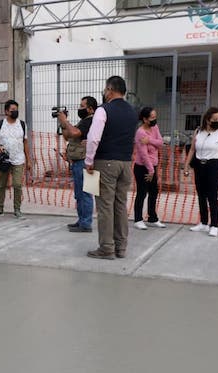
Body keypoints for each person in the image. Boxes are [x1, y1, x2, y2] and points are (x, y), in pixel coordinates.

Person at [84, 76, 136, 259]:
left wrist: (89, 160)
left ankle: (106, 247)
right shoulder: (132, 111)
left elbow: (93, 137)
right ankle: (121, 247)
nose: (104, 93)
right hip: (125, 163)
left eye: (106, 90)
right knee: (120, 205)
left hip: (105, 162)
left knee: (105, 205)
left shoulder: (103, 110)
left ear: (110, 90)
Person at [182, 107, 218, 238]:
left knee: (212, 196)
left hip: (213, 165)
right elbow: (191, 150)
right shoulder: (198, 131)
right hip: (199, 165)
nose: (217, 121)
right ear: (207, 120)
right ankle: (203, 222)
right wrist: (186, 166)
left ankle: (214, 225)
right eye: (215, 119)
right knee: (201, 194)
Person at [57, 96, 97, 232]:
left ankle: (86, 224)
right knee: (79, 194)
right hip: (79, 162)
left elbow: (74, 132)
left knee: (86, 194)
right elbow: (68, 136)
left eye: (82, 106)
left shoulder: (91, 121)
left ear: (90, 109)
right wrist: (63, 124)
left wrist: (65, 121)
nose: (79, 108)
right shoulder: (84, 121)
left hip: (86, 163)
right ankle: (82, 220)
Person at [0, 99, 31, 218]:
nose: (15, 112)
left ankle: (17, 209)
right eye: (12, 110)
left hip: (18, 159)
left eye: (16, 109)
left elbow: (25, 143)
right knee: (1, 185)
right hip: (4, 160)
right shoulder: (0, 124)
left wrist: (29, 160)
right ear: (6, 111)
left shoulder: (22, 124)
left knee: (17, 184)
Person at [132, 106, 166, 231]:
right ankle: (138, 219)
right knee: (142, 192)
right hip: (142, 167)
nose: (154, 120)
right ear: (145, 119)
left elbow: (160, 143)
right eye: (152, 118)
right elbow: (143, 154)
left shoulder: (154, 128)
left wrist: (150, 140)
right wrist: (151, 170)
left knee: (154, 191)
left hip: (153, 166)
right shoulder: (140, 132)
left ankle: (153, 217)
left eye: (155, 117)